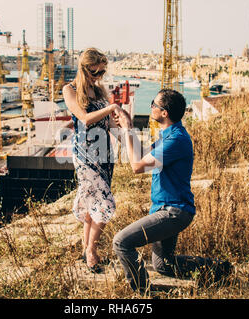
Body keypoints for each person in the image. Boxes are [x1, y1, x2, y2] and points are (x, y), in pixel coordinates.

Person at [112, 89, 197, 293]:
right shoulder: (168, 136)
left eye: (154, 104)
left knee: (121, 242)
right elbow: (141, 155)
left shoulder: (175, 140)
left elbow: (137, 166)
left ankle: (145, 294)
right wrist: (124, 129)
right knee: (163, 265)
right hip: (166, 209)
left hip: (172, 212)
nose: (151, 107)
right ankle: (222, 269)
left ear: (164, 113)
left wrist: (129, 129)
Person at [63, 48, 122, 273]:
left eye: (102, 73)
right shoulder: (70, 89)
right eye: (95, 73)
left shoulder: (99, 90)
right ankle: (92, 252)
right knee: (105, 203)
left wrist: (122, 124)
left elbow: (109, 123)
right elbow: (85, 119)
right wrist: (112, 107)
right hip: (85, 154)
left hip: (105, 152)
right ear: (84, 68)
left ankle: (85, 246)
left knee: (92, 201)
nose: (98, 77)